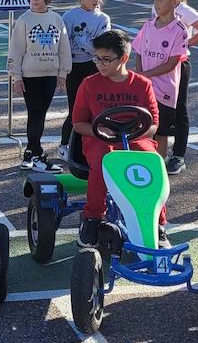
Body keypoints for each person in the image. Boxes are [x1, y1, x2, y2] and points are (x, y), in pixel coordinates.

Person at [71, 29, 166, 249]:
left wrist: (133, 134)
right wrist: (102, 132)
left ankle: (158, 224)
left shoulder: (142, 84)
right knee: (105, 161)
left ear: (123, 58)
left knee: (152, 163)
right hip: (100, 138)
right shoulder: (89, 84)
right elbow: (78, 124)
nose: (99, 64)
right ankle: (93, 217)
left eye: (106, 59)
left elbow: (153, 124)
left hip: (135, 138)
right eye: (97, 58)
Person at [8, 0, 71, 171]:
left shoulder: (56, 19)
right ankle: (38, 154)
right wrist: (16, 76)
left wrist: (63, 73)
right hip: (30, 76)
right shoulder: (24, 20)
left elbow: (63, 47)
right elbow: (16, 49)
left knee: (39, 115)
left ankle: (30, 152)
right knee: (35, 114)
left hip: (50, 76)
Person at [155, 0, 198, 174]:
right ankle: (156, 151)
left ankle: (178, 155)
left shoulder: (183, 10)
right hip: (158, 64)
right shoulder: (155, 8)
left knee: (179, 109)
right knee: (157, 106)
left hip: (178, 64)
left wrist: (184, 44)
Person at [131, 0, 190, 159]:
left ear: (175, 1)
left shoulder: (180, 30)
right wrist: (140, 75)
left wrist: (144, 75)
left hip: (164, 90)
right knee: (140, 128)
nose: (156, 3)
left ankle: (160, 167)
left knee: (161, 132)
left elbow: (172, 64)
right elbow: (139, 51)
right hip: (145, 87)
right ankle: (141, 166)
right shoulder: (148, 25)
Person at [60, 0, 110, 153]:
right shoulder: (69, 16)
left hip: (94, 65)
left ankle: (91, 145)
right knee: (75, 107)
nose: (96, 0)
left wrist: (80, 40)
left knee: (95, 107)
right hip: (74, 66)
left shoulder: (103, 18)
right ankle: (65, 145)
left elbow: (99, 45)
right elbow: (63, 43)